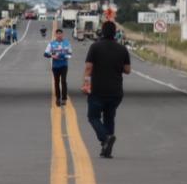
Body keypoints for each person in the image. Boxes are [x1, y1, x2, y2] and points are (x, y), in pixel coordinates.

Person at [82, 19, 133, 158]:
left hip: (98, 89)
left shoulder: (95, 47)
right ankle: (106, 149)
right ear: (115, 33)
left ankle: (105, 138)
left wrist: (86, 85)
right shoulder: (122, 49)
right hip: (116, 91)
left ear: (102, 32)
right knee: (109, 118)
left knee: (93, 116)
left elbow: (88, 68)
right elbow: (127, 70)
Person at [45, 28, 73, 105]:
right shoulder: (51, 43)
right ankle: (58, 98)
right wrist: (52, 56)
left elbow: (70, 54)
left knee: (63, 81)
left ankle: (64, 98)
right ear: (55, 35)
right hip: (55, 66)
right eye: (58, 34)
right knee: (56, 82)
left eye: (60, 34)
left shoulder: (67, 43)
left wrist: (65, 56)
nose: (59, 35)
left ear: (62, 35)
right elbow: (45, 54)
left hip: (64, 65)